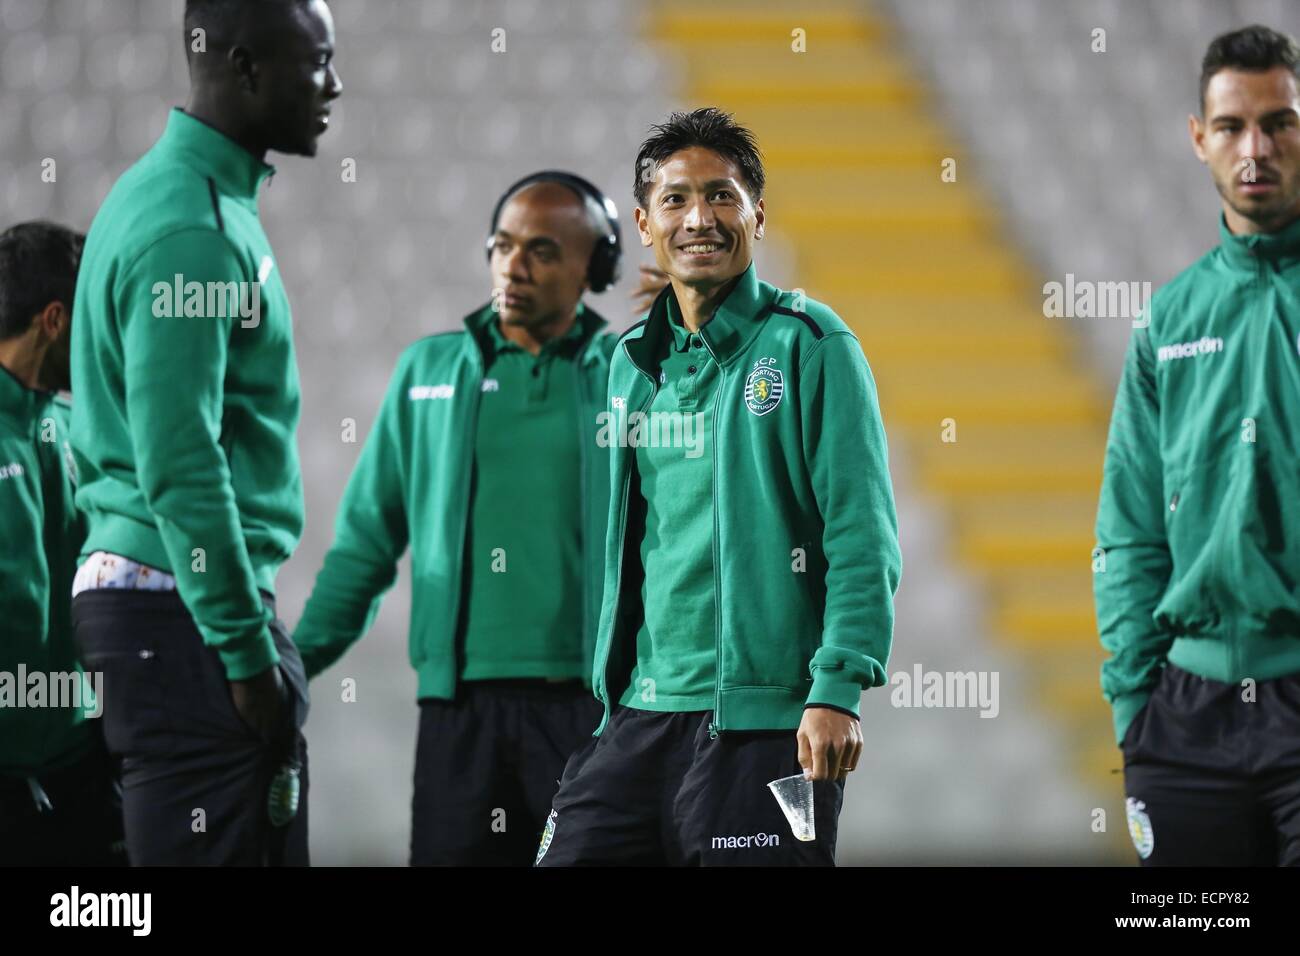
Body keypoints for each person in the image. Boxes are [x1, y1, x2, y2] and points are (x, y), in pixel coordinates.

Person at [536, 108, 902, 867]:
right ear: (643, 221)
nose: (699, 217)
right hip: (637, 715)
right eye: (675, 199)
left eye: (721, 196)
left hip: (763, 726)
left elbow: (860, 531)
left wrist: (836, 689)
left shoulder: (810, 344)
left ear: (757, 215)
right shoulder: (628, 364)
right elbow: (632, 546)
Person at [68, 0, 342, 865]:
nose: (335, 85)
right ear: (246, 66)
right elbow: (181, 457)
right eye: (318, 63)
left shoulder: (172, 196)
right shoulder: (192, 227)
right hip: (182, 614)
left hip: (161, 605)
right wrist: (244, 650)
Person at [293, 172, 622, 865]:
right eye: (501, 245)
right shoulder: (428, 371)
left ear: (595, 266)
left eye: (540, 250)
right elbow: (366, 544)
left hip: (595, 713)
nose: (512, 265)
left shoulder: (631, 377)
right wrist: (295, 664)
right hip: (459, 713)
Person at [1095, 24, 1300, 866]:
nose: (1256, 147)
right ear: (1199, 138)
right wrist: (1135, 707)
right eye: (1232, 126)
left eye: (1279, 122)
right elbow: (1131, 526)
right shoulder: (1169, 320)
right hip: (1182, 716)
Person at [0, 221, 125, 866]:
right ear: (54, 319)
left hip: (84, 768)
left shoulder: (86, 432)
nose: (110, 344)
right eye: (96, 320)